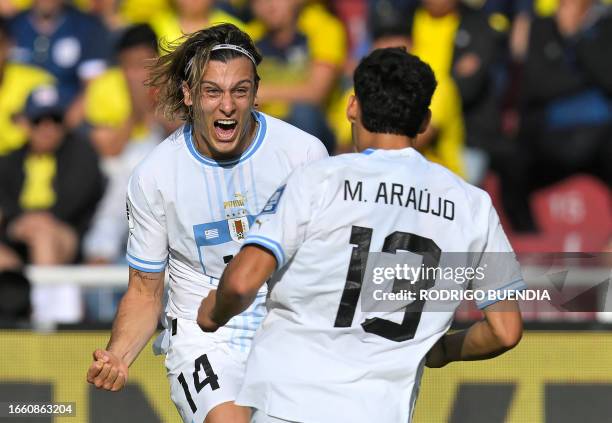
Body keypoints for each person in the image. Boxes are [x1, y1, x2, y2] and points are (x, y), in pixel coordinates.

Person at [197, 48, 525, 423]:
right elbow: (506, 330)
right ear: (424, 122)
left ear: (352, 107)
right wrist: (443, 351)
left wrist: (214, 312)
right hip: (380, 412)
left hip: (288, 405)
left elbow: (241, 283)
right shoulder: (472, 205)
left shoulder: (317, 181)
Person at [86, 23, 328, 423]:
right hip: (204, 331)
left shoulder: (303, 154)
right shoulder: (155, 175)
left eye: (240, 90)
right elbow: (145, 294)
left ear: (255, 91)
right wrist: (118, 354)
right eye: (212, 91)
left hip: (287, 325)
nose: (227, 106)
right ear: (189, 94)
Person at [0, 84, 105, 322]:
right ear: (26, 123)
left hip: (64, 237)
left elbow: (72, 205)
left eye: (55, 120)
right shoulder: (9, 161)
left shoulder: (81, 154)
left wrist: (32, 221)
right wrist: (23, 221)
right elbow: (6, 205)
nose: (48, 129)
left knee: (43, 235)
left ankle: (44, 325)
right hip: (18, 236)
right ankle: (11, 318)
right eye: (39, 121)